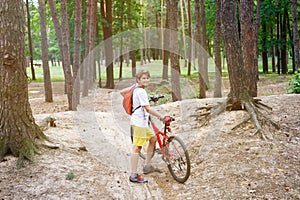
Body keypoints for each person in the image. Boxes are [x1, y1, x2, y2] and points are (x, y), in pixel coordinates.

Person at [120, 69, 164, 183]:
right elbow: (148, 108)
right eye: (143, 78)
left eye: (147, 78)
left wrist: (144, 96)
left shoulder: (136, 88)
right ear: (138, 80)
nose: (146, 80)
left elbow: (122, 92)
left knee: (153, 139)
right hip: (139, 123)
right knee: (137, 148)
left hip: (142, 123)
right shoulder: (141, 91)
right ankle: (133, 175)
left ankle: (147, 166)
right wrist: (162, 117)